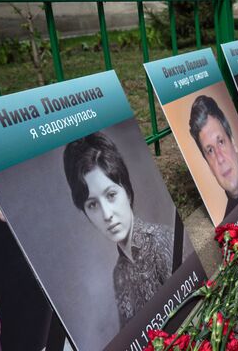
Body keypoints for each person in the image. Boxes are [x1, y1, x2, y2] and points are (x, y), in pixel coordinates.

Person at [63, 132, 173, 327]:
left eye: (111, 195)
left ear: (127, 191)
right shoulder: (119, 274)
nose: (107, 214)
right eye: (93, 205)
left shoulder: (162, 241)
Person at [188, 95, 238, 217]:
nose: (220, 159)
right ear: (208, 165)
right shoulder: (226, 224)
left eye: (221, 142)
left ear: (233, 143)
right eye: (210, 151)